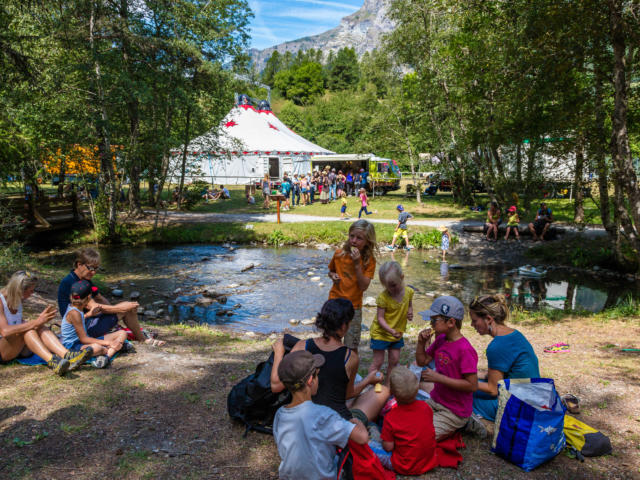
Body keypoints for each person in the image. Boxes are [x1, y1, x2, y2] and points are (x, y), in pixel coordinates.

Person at [271, 299, 389, 422]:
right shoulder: (350, 357)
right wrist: (368, 380)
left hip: (306, 416)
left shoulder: (302, 346)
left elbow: (276, 386)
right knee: (383, 391)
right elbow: (347, 394)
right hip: (336, 421)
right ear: (344, 326)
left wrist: (279, 354)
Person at [272, 349, 369, 480]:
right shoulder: (323, 415)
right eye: (317, 375)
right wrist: (356, 421)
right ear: (311, 380)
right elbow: (362, 438)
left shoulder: (280, 414)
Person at [58, 248, 165, 346]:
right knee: (127, 308)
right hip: (81, 329)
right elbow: (94, 306)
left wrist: (115, 316)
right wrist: (120, 309)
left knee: (125, 307)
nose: (94, 272)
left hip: (88, 321)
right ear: (79, 264)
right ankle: (142, 339)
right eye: (90, 268)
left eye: (96, 268)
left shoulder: (85, 279)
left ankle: (136, 335)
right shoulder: (71, 282)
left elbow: (100, 298)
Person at [467, 294, 540, 435]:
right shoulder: (514, 334)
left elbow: (492, 389)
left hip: (521, 407)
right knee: (471, 386)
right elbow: (502, 373)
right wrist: (474, 375)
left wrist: (462, 382)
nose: (472, 325)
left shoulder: (497, 346)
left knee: (460, 395)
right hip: (533, 397)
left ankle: (487, 424)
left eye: (474, 320)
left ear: (488, 319)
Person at [0, 271, 91, 375]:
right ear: (20, 290)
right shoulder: (1, 301)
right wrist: (35, 322)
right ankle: (53, 362)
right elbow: (5, 331)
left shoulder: (17, 299)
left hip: (17, 347)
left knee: (38, 326)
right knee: (30, 328)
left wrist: (39, 322)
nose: (32, 294)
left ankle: (67, 355)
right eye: (30, 291)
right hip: (3, 351)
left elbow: (18, 324)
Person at [415, 296, 478, 441]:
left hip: (454, 411)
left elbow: (472, 385)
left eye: (434, 320)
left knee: (422, 436)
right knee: (409, 422)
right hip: (436, 400)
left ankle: (464, 422)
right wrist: (420, 343)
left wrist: (439, 378)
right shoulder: (441, 339)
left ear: (451, 322)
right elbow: (422, 361)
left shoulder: (465, 350)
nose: (430, 324)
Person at [369, 366, 438, 474]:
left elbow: (388, 448)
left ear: (392, 393)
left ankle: (371, 427)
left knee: (368, 444)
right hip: (428, 461)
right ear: (417, 391)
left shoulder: (391, 417)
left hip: (404, 465)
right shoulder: (425, 407)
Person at [327, 220, 377, 352]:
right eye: (352, 236)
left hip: (353, 307)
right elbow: (331, 271)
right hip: (334, 302)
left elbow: (363, 286)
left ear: (368, 241)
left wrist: (356, 264)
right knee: (330, 340)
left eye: (359, 238)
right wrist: (332, 276)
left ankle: (350, 371)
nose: (354, 241)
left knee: (351, 345)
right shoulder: (339, 253)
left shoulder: (369, 260)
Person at [61, 280, 128, 368]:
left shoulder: (74, 307)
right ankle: (109, 352)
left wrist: (89, 314)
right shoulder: (75, 313)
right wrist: (108, 343)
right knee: (97, 347)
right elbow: (84, 339)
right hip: (73, 346)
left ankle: (105, 357)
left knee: (122, 333)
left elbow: (76, 323)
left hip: (82, 342)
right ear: (89, 297)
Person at [369, 261, 413, 379]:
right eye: (387, 286)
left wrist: (410, 311)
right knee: (378, 361)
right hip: (381, 333)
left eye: (393, 285)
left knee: (394, 360)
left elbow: (409, 303)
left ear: (402, 277)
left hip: (396, 333)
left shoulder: (409, 292)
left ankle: (388, 385)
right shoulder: (383, 298)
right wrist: (390, 330)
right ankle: (371, 382)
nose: (391, 289)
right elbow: (380, 318)